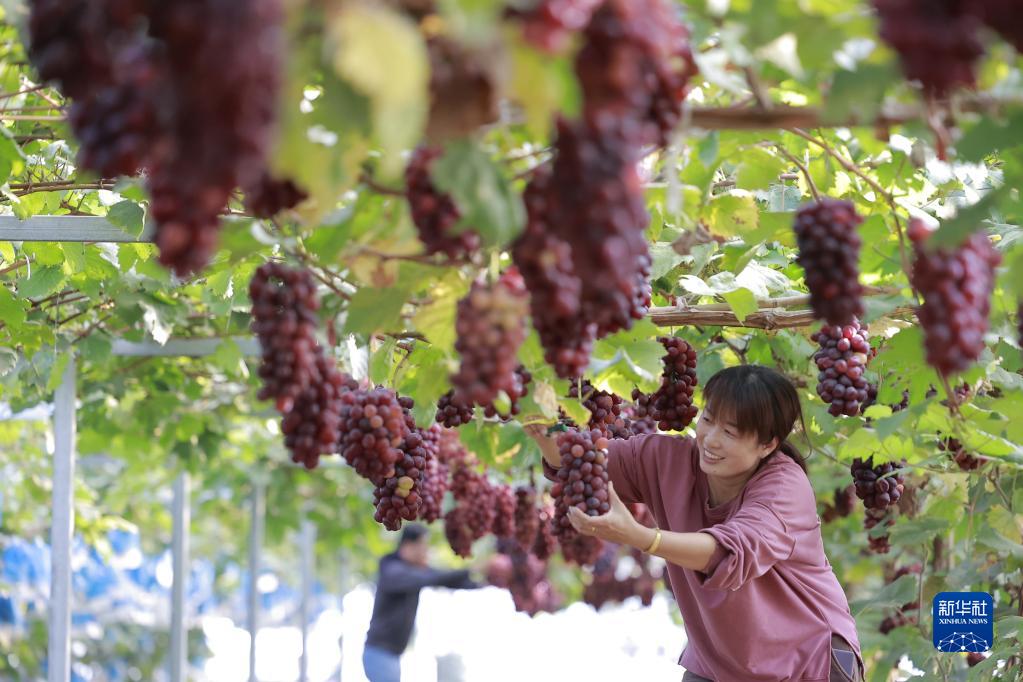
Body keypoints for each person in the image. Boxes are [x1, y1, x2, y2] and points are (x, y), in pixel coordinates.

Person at [526, 364, 866, 682]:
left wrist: (642, 537)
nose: (711, 438)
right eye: (708, 419)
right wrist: (544, 431)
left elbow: (727, 553)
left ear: (768, 444)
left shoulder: (785, 488)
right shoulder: (667, 461)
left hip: (807, 665)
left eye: (730, 432)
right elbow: (583, 458)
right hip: (719, 665)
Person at [363, 523, 479, 682]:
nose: (426, 550)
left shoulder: (413, 569)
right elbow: (431, 578)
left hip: (390, 655)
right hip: (379, 654)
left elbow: (444, 578)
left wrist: (484, 582)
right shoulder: (392, 568)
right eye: (423, 545)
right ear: (410, 545)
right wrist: (471, 570)